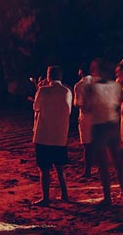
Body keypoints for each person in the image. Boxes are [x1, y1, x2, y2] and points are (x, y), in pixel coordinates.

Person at [88, 59, 123, 205]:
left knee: (103, 163)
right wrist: (116, 107)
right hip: (113, 123)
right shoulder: (115, 85)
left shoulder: (93, 87)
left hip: (100, 125)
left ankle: (107, 197)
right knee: (117, 160)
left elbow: (86, 107)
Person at [32, 65, 73, 206]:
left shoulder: (43, 91)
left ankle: (45, 197)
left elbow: (36, 107)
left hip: (43, 135)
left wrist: (38, 89)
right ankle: (65, 195)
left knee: (44, 169)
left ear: (48, 75)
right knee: (60, 168)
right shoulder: (67, 91)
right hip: (60, 135)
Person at [74, 63, 100, 178]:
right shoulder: (99, 82)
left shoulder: (79, 85)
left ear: (80, 71)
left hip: (86, 116)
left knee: (87, 145)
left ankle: (88, 170)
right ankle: (101, 167)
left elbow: (78, 103)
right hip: (100, 115)